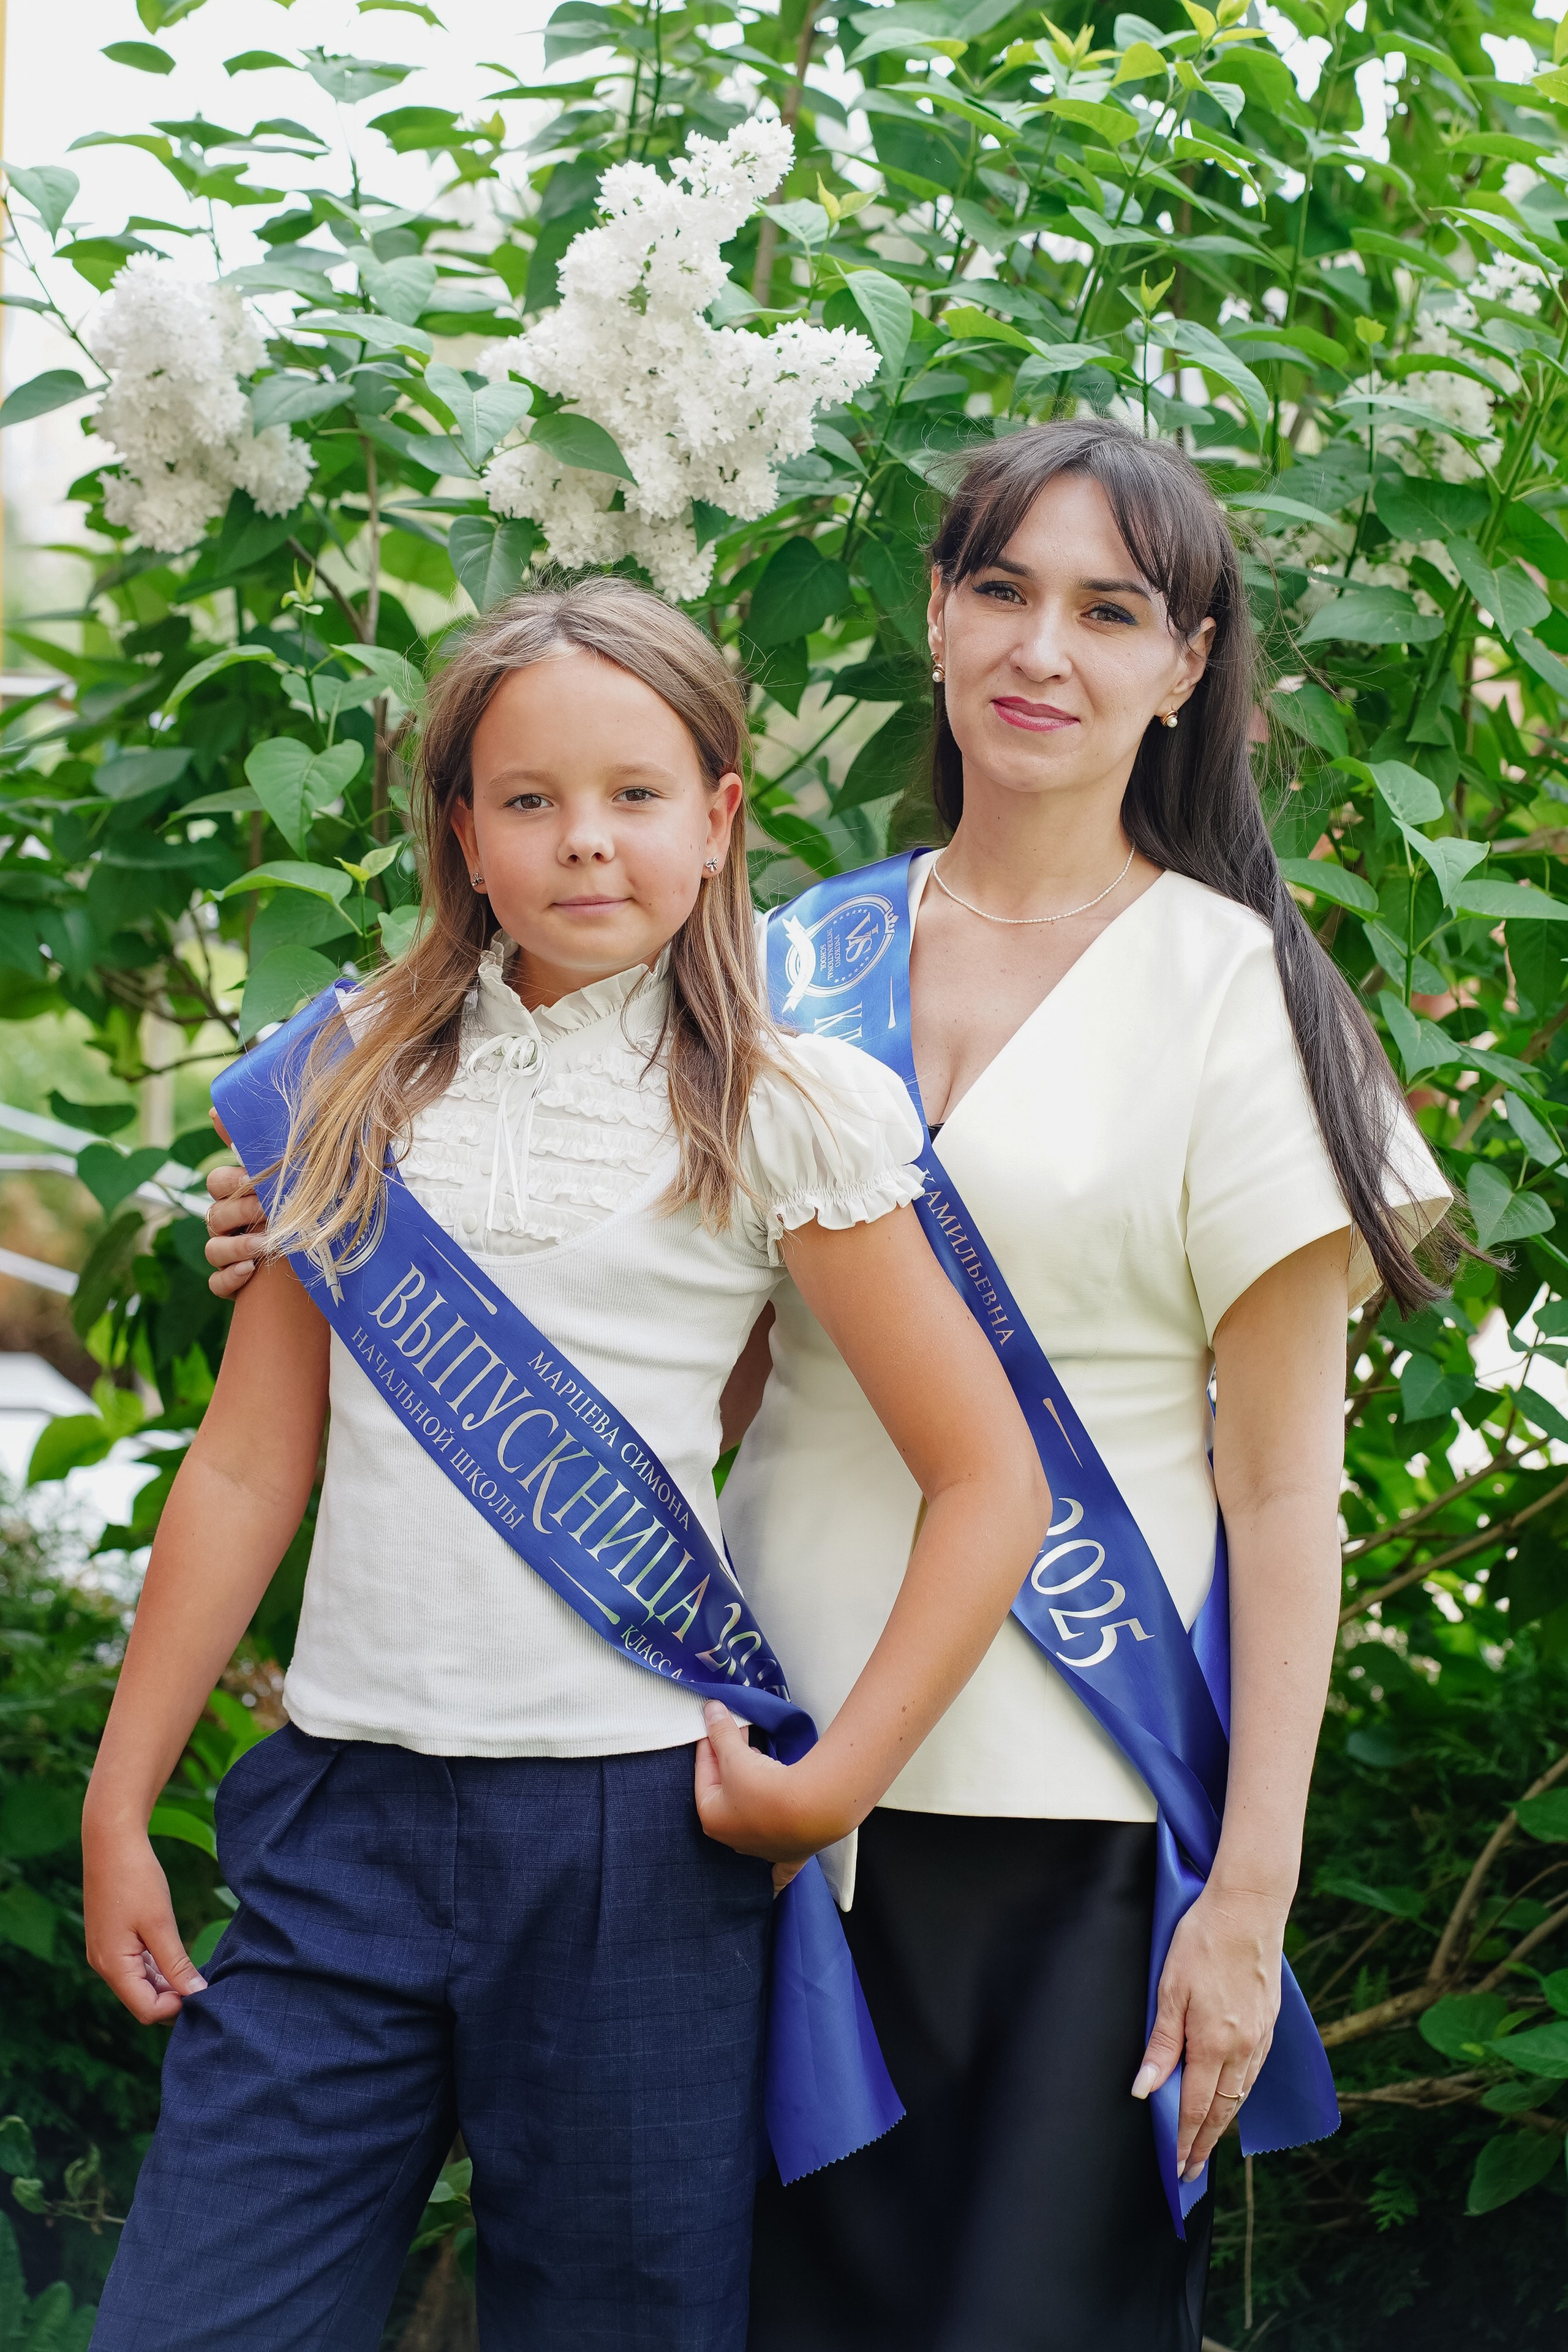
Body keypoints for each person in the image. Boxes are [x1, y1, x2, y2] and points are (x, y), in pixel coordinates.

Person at [86, 577, 1048, 2352]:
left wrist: (836, 1783)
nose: (583, 843)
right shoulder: (351, 1075)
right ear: (461, 829)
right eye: (527, 800)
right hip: (340, 1819)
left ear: (720, 819)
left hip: (634, 1844)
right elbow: (242, 1469)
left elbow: (991, 1480)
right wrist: (119, 1796)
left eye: (635, 796)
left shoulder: (782, 1103)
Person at [719, 420, 1453, 2351]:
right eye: (1004, 591)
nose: (1047, 649)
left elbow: (1291, 1488)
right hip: (760, 1798)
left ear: (1184, 666)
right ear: (938, 622)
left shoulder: (1244, 997)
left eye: (1109, 609)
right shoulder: (782, 966)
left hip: (1081, 1833)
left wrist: (1251, 1905)